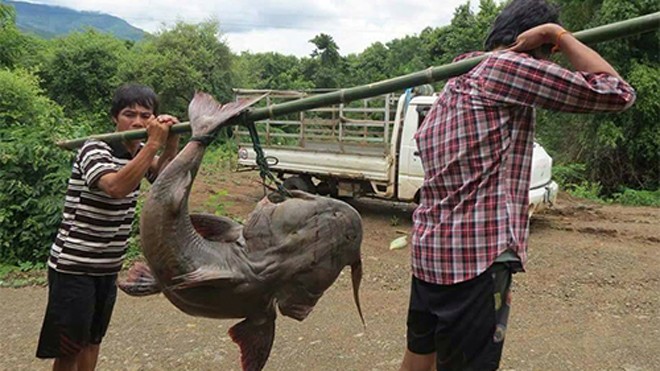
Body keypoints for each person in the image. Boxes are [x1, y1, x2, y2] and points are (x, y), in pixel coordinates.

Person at [399, 0, 636, 370]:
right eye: (551, 55)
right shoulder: (507, 67)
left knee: (419, 356)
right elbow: (617, 92)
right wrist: (559, 34)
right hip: (473, 263)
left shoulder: (460, 73)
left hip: (431, 251)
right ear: (536, 47)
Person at [36, 83, 181, 371]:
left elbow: (164, 180)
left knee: (93, 340)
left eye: (145, 115)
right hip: (74, 266)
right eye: (129, 114)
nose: (138, 122)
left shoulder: (138, 152)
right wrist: (153, 144)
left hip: (107, 266)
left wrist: (172, 142)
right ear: (115, 117)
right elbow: (116, 186)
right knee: (69, 349)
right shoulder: (94, 148)